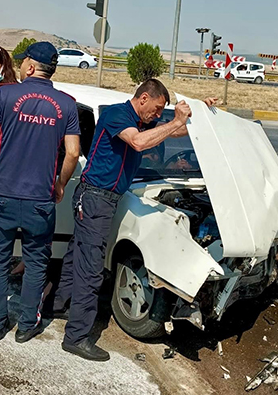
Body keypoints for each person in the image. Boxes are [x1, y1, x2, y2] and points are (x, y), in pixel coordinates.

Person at [52, 79, 199, 362]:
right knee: (91, 268)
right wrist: (171, 123)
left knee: (77, 254)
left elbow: (176, 131)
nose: (158, 116)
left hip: (101, 199)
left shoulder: (141, 121)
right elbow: (139, 142)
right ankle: (76, 337)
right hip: (95, 198)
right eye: (156, 110)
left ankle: (59, 304)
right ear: (143, 98)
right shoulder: (117, 114)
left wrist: (196, 113)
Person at [0, 41, 81, 343]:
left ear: (30, 66)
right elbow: (72, 153)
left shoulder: (5, 94)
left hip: (3, 194)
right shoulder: (66, 104)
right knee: (35, 263)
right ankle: (28, 325)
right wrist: (60, 184)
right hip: (40, 201)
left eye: (22, 61)